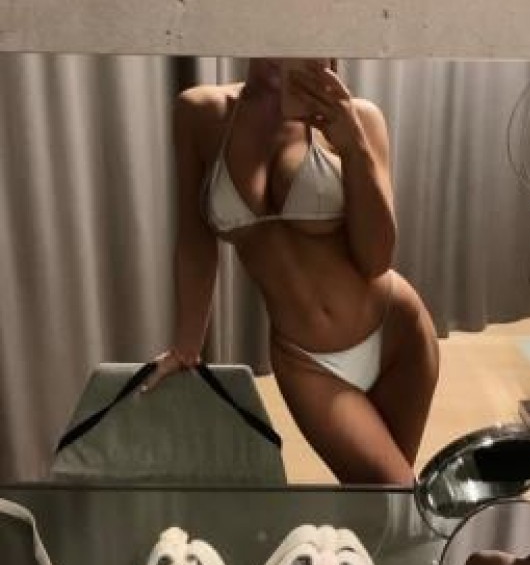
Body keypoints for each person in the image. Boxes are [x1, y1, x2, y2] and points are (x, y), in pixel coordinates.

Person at [144, 58, 439, 484]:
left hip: (398, 330)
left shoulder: (360, 119)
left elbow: (376, 260)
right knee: (392, 490)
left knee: (383, 499)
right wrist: (186, 347)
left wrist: (354, 146)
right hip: (308, 363)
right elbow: (195, 240)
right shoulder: (200, 114)